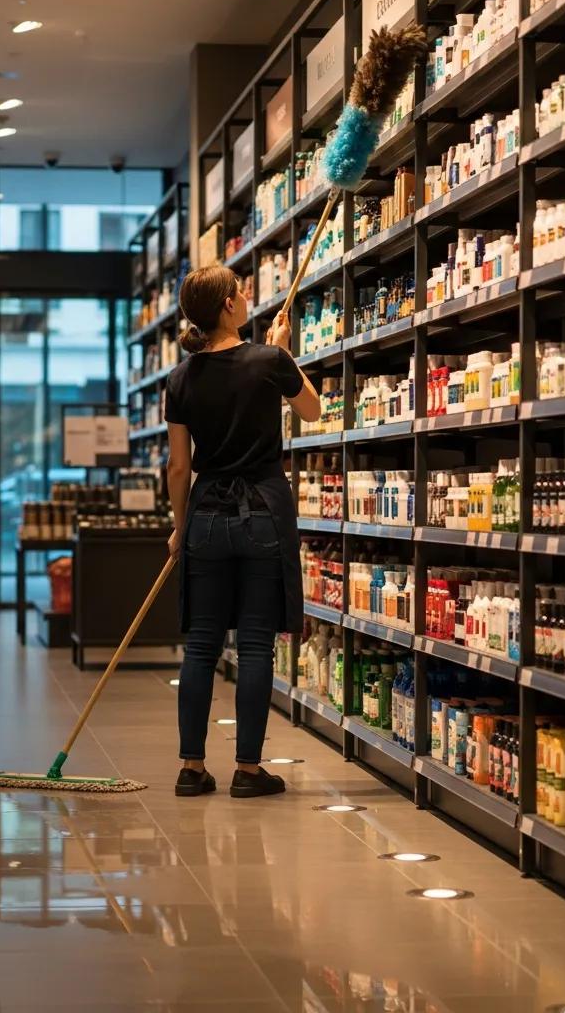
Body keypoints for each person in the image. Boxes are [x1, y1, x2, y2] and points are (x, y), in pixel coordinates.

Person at [164, 265, 321, 798]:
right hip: (261, 512)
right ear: (229, 306)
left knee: (202, 645)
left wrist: (179, 527)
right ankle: (249, 771)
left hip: (206, 513)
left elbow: (179, 467)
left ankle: (191, 767)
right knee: (255, 644)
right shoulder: (269, 361)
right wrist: (284, 351)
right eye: (241, 290)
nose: (247, 294)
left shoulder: (181, 377)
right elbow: (314, 410)